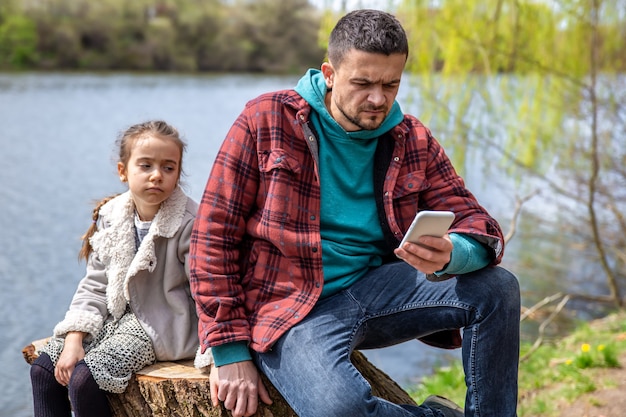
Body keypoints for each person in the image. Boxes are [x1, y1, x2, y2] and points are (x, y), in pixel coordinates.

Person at [190, 9, 520, 417]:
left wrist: (456, 251)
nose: (378, 99)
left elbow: (479, 224)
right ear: (329, 73)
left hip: (377, 291)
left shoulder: (411, 137)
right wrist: (228, 349)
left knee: (497, 288)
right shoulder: (266, 119)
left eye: (390, 84)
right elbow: (211, 238)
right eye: (362, 83)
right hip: (289, 310)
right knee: (338, 410)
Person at [30, 120, 212, 417]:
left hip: (160, 324)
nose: (157, 175)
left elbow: (206, 290)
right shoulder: (112, 215)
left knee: (85, 379)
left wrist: (217, 352)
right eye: (146, 165)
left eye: (168, 167)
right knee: (43, 371)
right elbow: (95, 284)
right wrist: (75, 337)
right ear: (122, 171)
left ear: (179, 173)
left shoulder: (190, 222)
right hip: (113, 318)